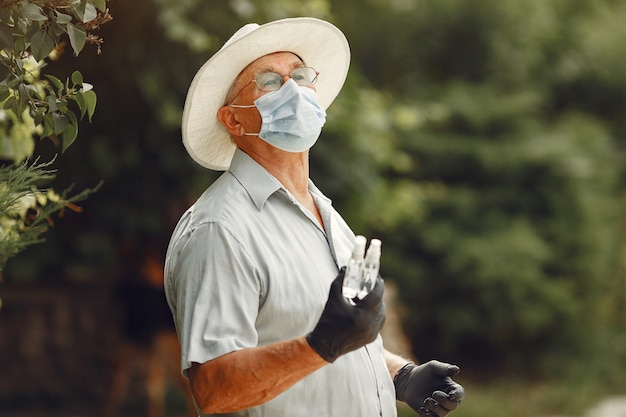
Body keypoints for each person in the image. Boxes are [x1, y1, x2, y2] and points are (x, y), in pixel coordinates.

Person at [164, 17, 464, 417]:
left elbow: (326, 337)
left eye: (301, 75)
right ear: (234, 120)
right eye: (270, 81)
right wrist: (320, 346)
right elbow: (216, 388)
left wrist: (399, 375)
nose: (293, 89)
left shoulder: (323, 212)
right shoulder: (219, 229)